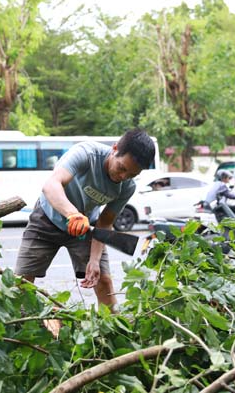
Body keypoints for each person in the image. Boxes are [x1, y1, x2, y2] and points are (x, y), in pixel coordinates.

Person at [14, 128, 156, 309]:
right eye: (122, 168)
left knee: (103, 281)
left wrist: (94, 260)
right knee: (21, 282)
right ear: (114, 149)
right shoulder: (86, 154)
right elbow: (51, 185)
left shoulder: (127, 187)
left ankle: (112, 332)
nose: (123, 177)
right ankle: (17, 325)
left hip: (85, 227)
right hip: (47, 219)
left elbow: (105, 222)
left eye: (131, 175)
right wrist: (72, 214)